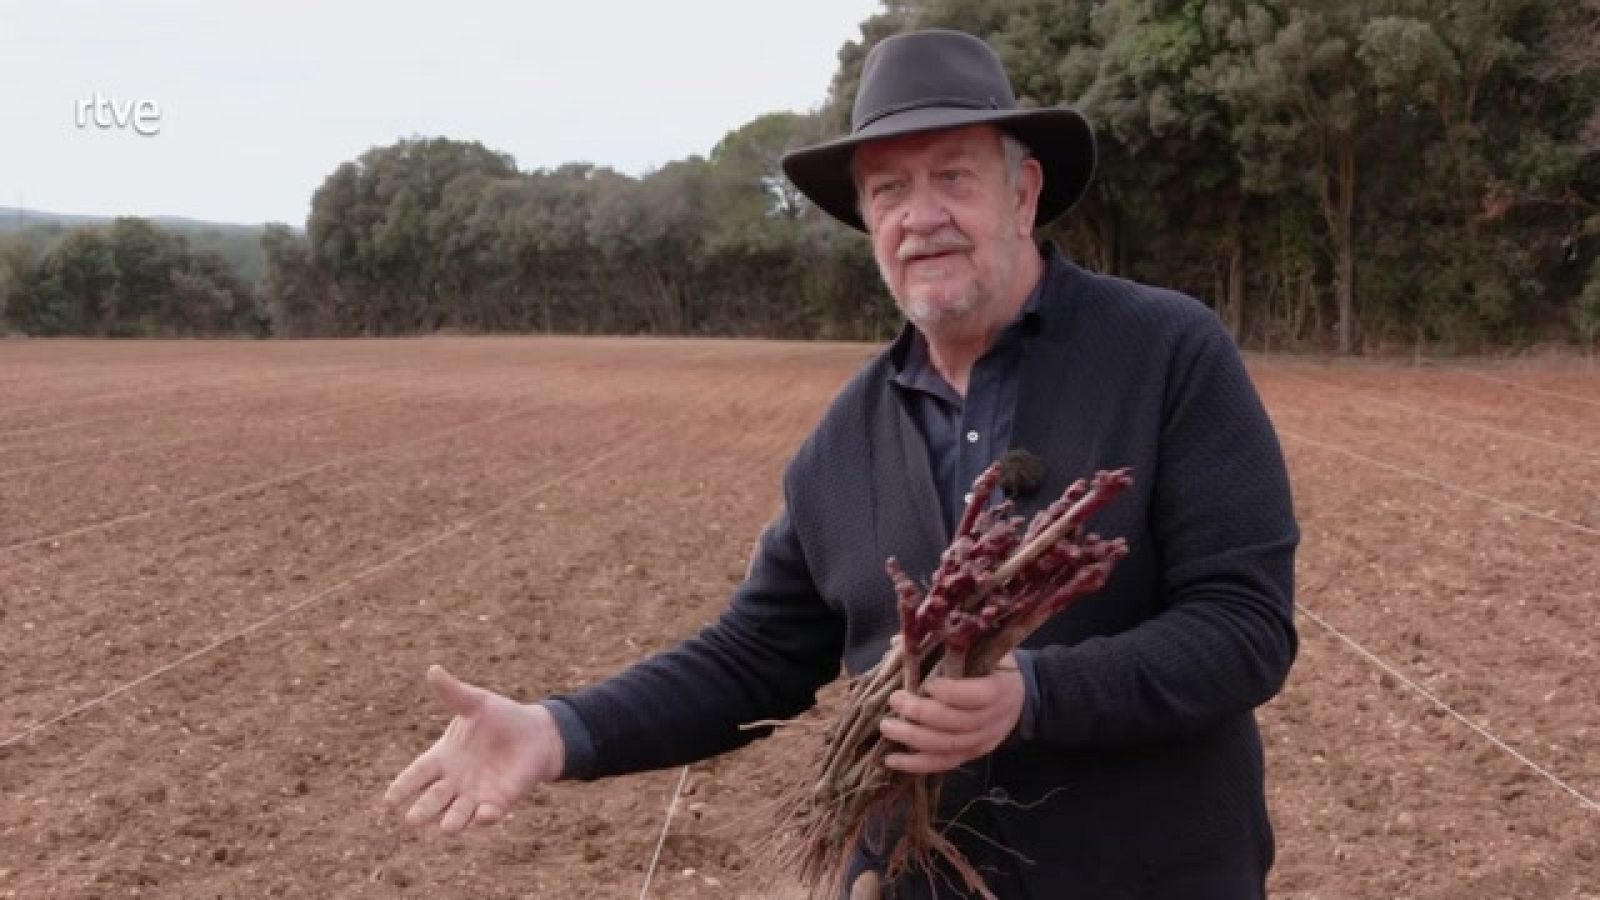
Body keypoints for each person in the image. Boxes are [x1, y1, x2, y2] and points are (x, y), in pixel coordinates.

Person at [386, 28, 1298, 899]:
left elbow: (1246, 626)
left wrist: (1034, 695)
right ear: (867, 219)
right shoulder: (845, 442)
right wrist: (558, 731)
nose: (922, 216)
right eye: (890, 189)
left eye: (954, 178)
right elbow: (752, 657)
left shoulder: (1165, 352)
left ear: (1022, 195)